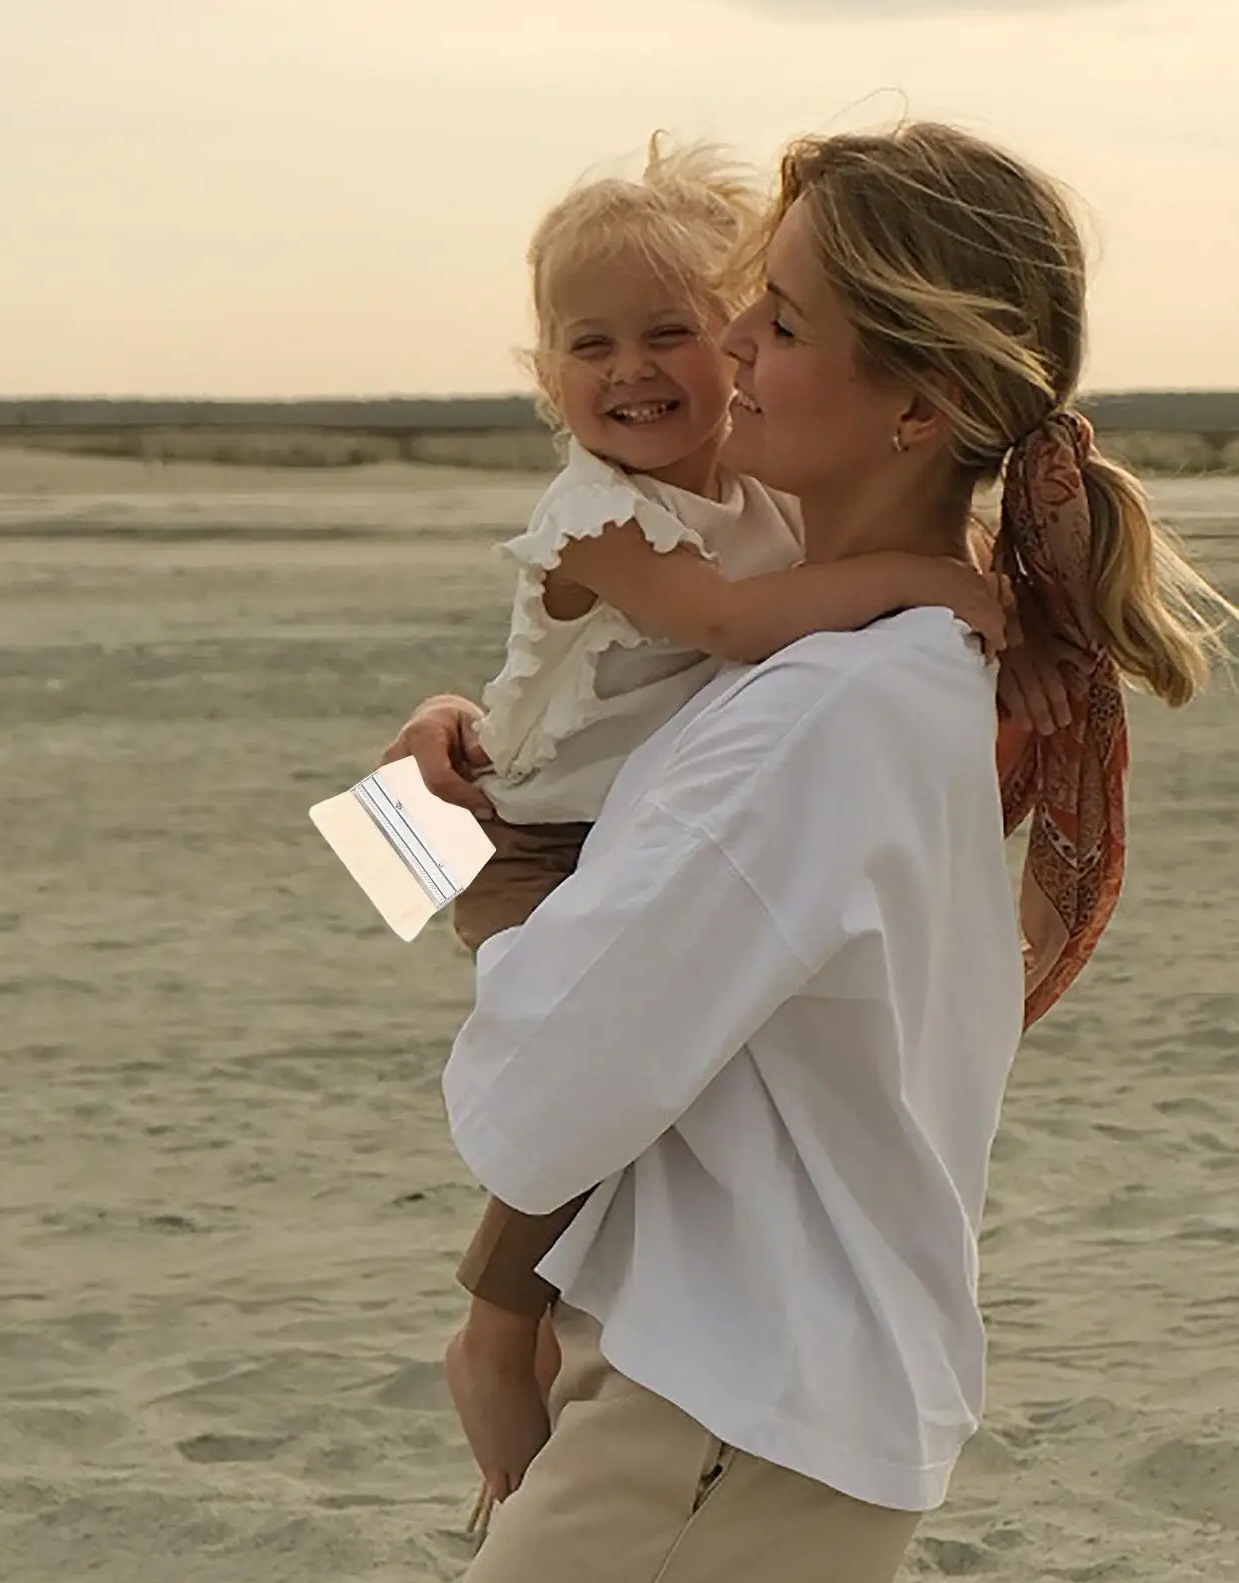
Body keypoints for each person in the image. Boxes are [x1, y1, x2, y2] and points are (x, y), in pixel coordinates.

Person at [389, 122, 1239, 1583]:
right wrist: (437, 775)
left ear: (920, 407)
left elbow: (547, 1088)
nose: (726, 342)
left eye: (774, 321)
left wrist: (478, 885)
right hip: (738, 1387)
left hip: (724, 1414)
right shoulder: (864, 662)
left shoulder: (831, 702)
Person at [434, 135, 1012, 1513]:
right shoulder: (601, 518)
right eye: (590, 346)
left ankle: (518, 1341)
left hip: (588, 811)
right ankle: (491, 1331)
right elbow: (730, 629)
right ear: (543, 378)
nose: (636, 370)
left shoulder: (756, 509)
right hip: (533, 830)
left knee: (626, 1071)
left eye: (681, 330)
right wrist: (935, 574)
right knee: (591, 1077)